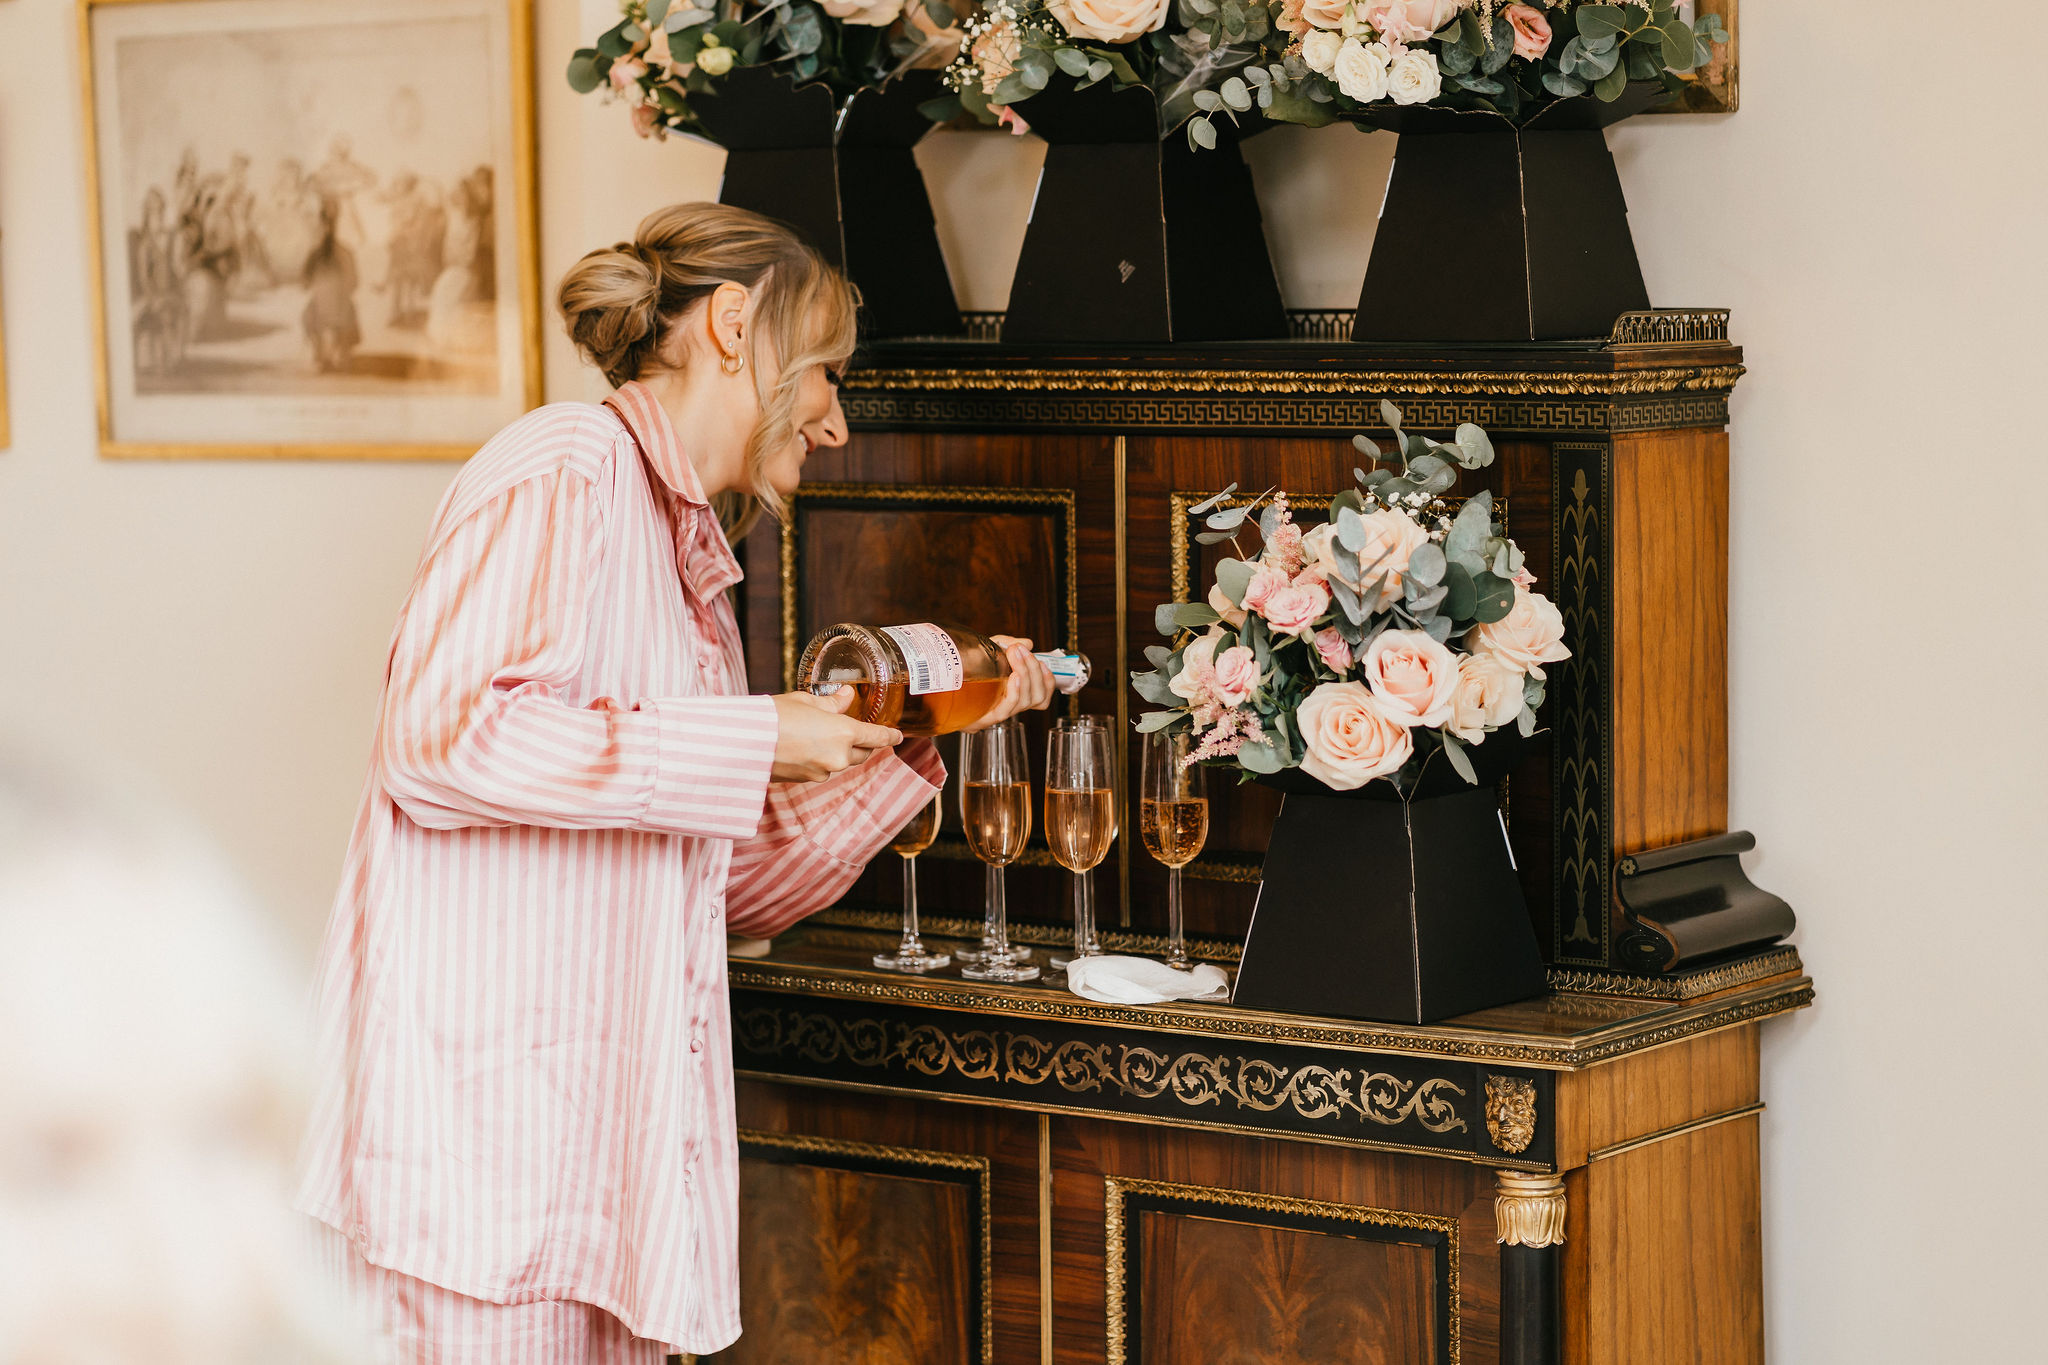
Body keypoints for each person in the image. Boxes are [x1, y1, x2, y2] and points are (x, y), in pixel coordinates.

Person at [295, 201, 1056, 1363]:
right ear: (735, 325)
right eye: (827, 376)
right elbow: (441, 739)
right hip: (479, 1182)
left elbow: (724, 883)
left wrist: (897, 737)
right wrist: (755, 735)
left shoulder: (691, 558)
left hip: (611, 1190)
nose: (837, 423)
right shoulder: (564, 467)